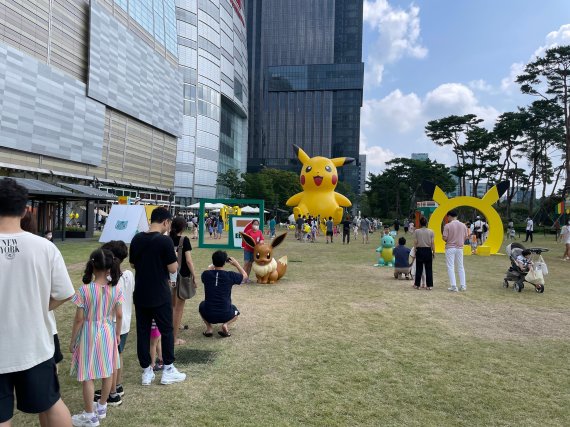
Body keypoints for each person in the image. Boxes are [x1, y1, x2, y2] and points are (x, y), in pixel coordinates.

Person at [0, 178, 75, 427]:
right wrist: (38, 307)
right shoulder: (45, 247)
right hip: (34, 345)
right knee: (51, 403)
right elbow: (65, 292)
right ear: (24, 210)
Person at [129, 207, 186, 386]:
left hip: (141, 293)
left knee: (143, 332)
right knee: (166, 330)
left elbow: (132, 263)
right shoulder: (164, 241)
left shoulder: (137, 238)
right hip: (160, 293)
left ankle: (147, 371)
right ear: (166, 222)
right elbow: (173, 268)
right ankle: (168, 368)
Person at [69, 248, 123, 426]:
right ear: (109, 268)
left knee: (88, 374)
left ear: (92, 266)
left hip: (89, 333)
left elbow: (79, 319)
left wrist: (73, 341)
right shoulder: (115, 289)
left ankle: (90, 415)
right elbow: (120, 315)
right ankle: (101, 406)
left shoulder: (84, 290)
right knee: (108, 371)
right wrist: (117, 334)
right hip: (108, 330)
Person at [93, 240, 133, 407]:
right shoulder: (129, 275)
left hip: (112, 325)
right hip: (124, 323)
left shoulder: (109, 280)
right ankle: (116, 386)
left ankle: (112, 394)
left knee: (111, 360)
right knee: (118, 356)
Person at [199, 251, 248, 337]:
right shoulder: (230, 275)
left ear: (213, 261)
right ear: (225, 262)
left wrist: (211, 267)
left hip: (209, 314)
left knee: (201, 305)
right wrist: (236, 264)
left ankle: (209, 328)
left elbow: (206, 272)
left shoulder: (206, 275)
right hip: (226, 314)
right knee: (236, 311)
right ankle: (225, 325)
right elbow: (245, 275)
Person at [169, 217, 197, 346]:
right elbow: (189, 261)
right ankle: (174, 339)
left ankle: (174, 327)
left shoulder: (166, 239)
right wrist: (194, 275)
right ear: (183, 228)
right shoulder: (184, 240)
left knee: (171, 306)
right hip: (181, 277)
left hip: (168, 276)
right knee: (178, 308)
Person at [443, 210, 469, 292]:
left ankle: (454, 286)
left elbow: (445, 238)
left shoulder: (447, 226)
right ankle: (463, 285)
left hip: (450, 247)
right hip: (460, 248)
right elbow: (466, 237)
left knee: (450, 266)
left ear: (449, 216)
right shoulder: (463, 225)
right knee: (460, 266)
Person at [413, 217, 435, 290]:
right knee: (428, 268)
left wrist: (415, 250)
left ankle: (417, 285)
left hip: (419, 250)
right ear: (427, 223)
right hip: (428, 250)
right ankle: (429, 285)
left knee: (419, 268)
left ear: (420, 223)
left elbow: (415, 242)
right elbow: (432, 243)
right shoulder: (431, 231)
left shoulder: (417, 231)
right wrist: (433, 252)